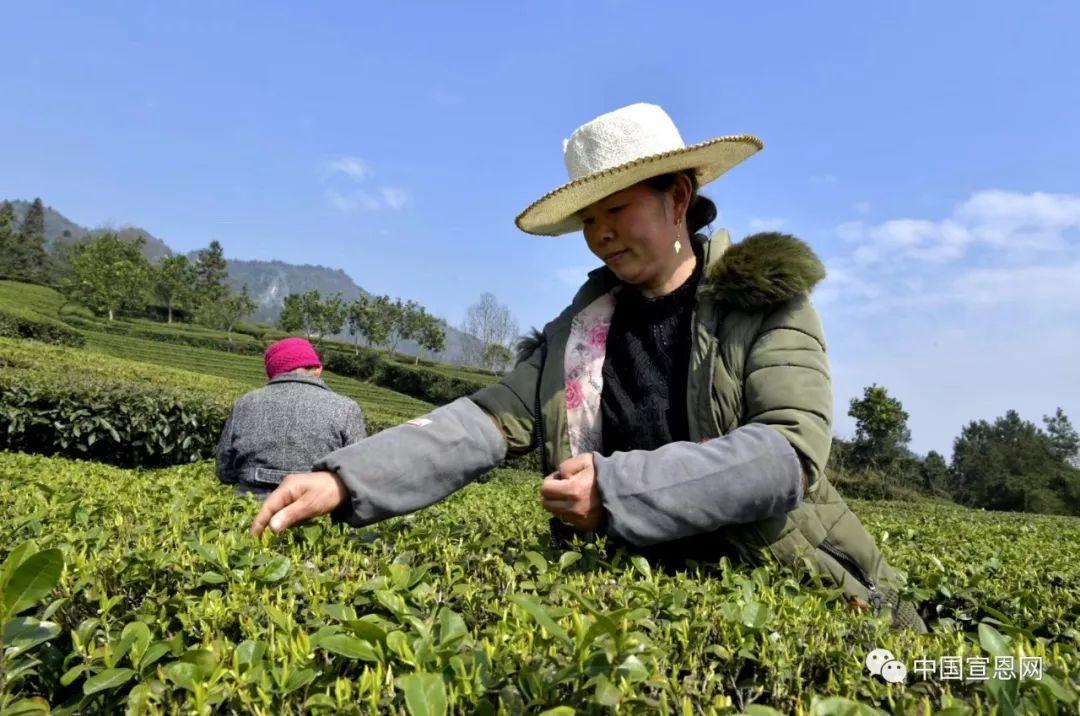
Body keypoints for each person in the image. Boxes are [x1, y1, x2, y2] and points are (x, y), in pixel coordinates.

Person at [250, 103, 926, 632]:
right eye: (590, 217)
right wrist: (344, 480)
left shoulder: (760, 305)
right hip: (635, 608)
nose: (601, 232)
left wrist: (618, 488)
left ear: (678, 200)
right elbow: (482, 422)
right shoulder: (580, 336)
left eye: (618, 208)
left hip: (789, 597)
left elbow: (786, 454)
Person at [216, 337, 366, 499]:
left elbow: (225, 471)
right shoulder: (346, 408)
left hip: (247, 511)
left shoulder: (245, 402)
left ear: (273, 374)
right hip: (315, 515)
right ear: (318, 369)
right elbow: (358, 474)